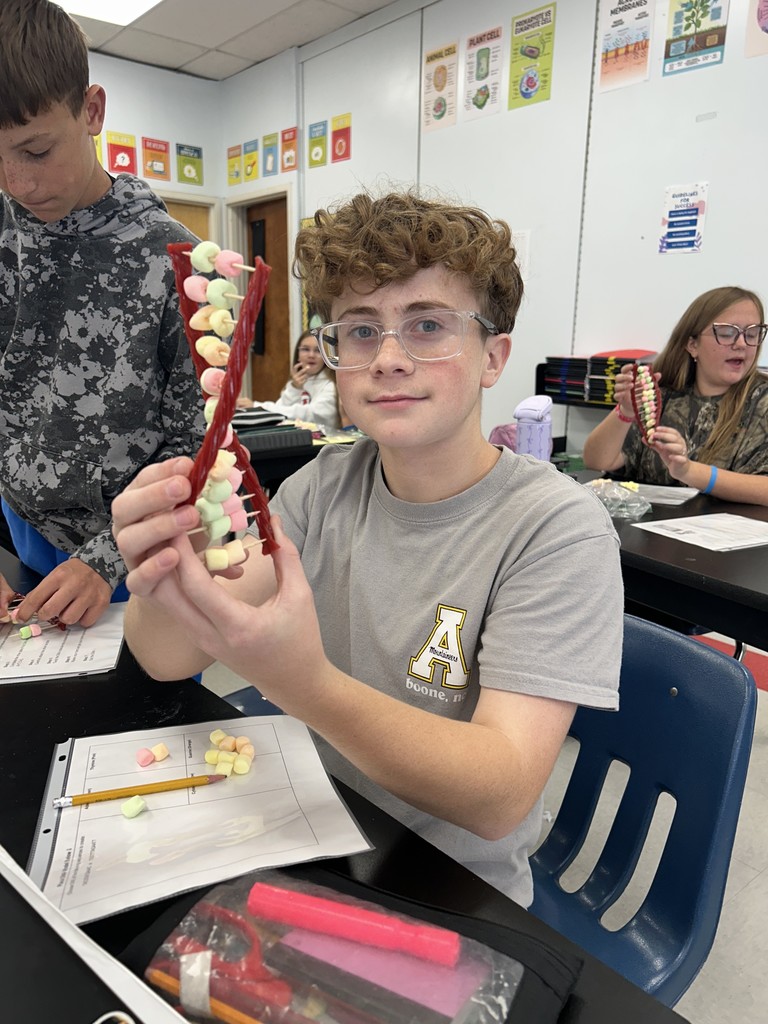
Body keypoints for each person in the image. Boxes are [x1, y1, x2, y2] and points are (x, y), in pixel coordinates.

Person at [111, 190, 623, 907]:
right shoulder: (323, 486)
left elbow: (501, 793)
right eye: (359, 331)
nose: (387, 359)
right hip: (317, 836)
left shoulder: (554, 530)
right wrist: (168, 567)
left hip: (449, 888)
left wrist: (300, 682)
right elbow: (169, 659)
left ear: (492, 357)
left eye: (427, 325)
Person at [0, 0, 204, 627]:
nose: (17, 183)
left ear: (92, 111)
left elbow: (196, 441)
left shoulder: (175, 259)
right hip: (18, 531)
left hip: (138, 555)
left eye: (36, 151)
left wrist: (106, 557)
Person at [583, 286, 768, 505]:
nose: (741, 344)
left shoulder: (761, 401)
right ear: (692, 345)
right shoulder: (663, 396)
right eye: (727, 333)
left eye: (752, 334)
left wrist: (689, 471)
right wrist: (625, 412)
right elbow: (597, 460)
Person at [240, 330, 341, 428]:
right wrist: (294, 388)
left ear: (326, 356)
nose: (311, 355)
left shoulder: (331, 385)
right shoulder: (297, 382)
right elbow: (280, 411)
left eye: (318, 350)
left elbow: (310, 414)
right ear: (298, 355)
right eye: (305, 349)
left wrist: (258, 407)